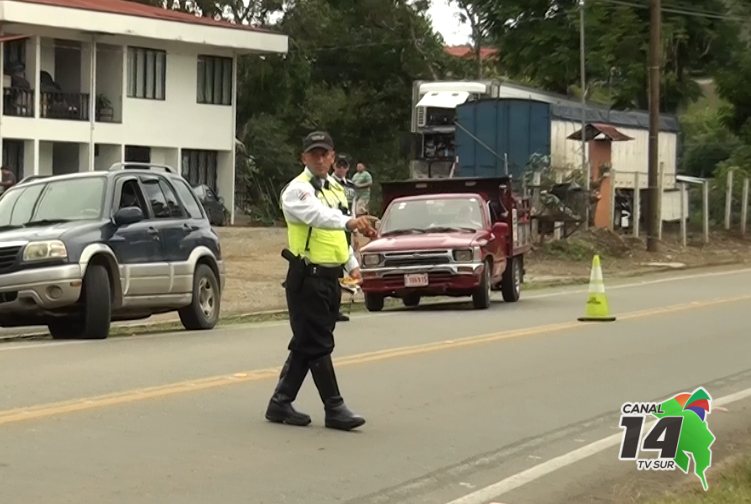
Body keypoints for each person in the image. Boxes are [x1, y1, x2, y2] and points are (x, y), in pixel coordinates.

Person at [265, 130, 377, 432]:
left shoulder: (338, 191)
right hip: (306, 277)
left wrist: (352, 265)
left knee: (308, 343)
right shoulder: (297, 190)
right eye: (312, 153)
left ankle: (280, 402)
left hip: (330, 279)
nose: (319, 158)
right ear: (303, 158)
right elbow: (318, 217)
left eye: (324, 153)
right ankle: (334, 406)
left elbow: (339, 235)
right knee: (318, 343)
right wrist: (350, 221)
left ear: (332, 156)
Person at [329, 155, 357, 323]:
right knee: (335, 268)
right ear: (334, 166)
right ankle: (331, 308)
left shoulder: (351, 186)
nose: (341, 169)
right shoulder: (328, 183)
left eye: (344, 166)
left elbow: (352, 209)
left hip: (346, 228)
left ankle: (337, 307)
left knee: (345, 266)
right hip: (333, 227)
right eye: (339, 165)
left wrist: (355, 233)